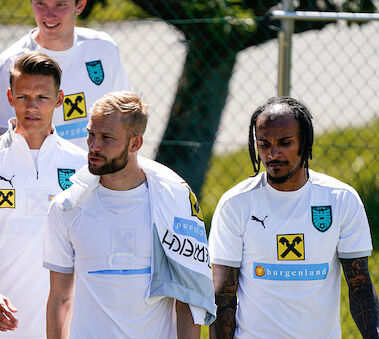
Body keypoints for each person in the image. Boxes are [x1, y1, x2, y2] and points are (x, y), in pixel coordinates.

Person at [43, 91, 216, 339]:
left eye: (107, 138)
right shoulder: (67, 208)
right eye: (91, 134)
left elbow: (188, 299)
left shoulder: (172, 206)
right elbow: (59, 298)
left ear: (135, 144)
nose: (94, 146)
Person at [209, 97, 377, 339]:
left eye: (285, 143)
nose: (273, 154)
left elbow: (360, 286)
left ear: (304, 142)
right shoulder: (235, 204)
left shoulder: (340, 199)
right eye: (264, 144)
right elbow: (223, 296)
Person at [0, 52, 86, 339]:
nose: (32, 106)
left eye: (42, 97)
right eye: (23, 96)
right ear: (9, 96)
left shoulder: (83, 166)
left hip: (68, 329)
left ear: (59, 99)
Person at [0, 0, 130, 149]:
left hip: (97, 170)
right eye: (41, 4)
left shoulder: (103, 48)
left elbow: (124, 117)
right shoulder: (11, 62)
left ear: (80, 5)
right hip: (41, 171)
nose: (49, 15)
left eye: (60, 5)